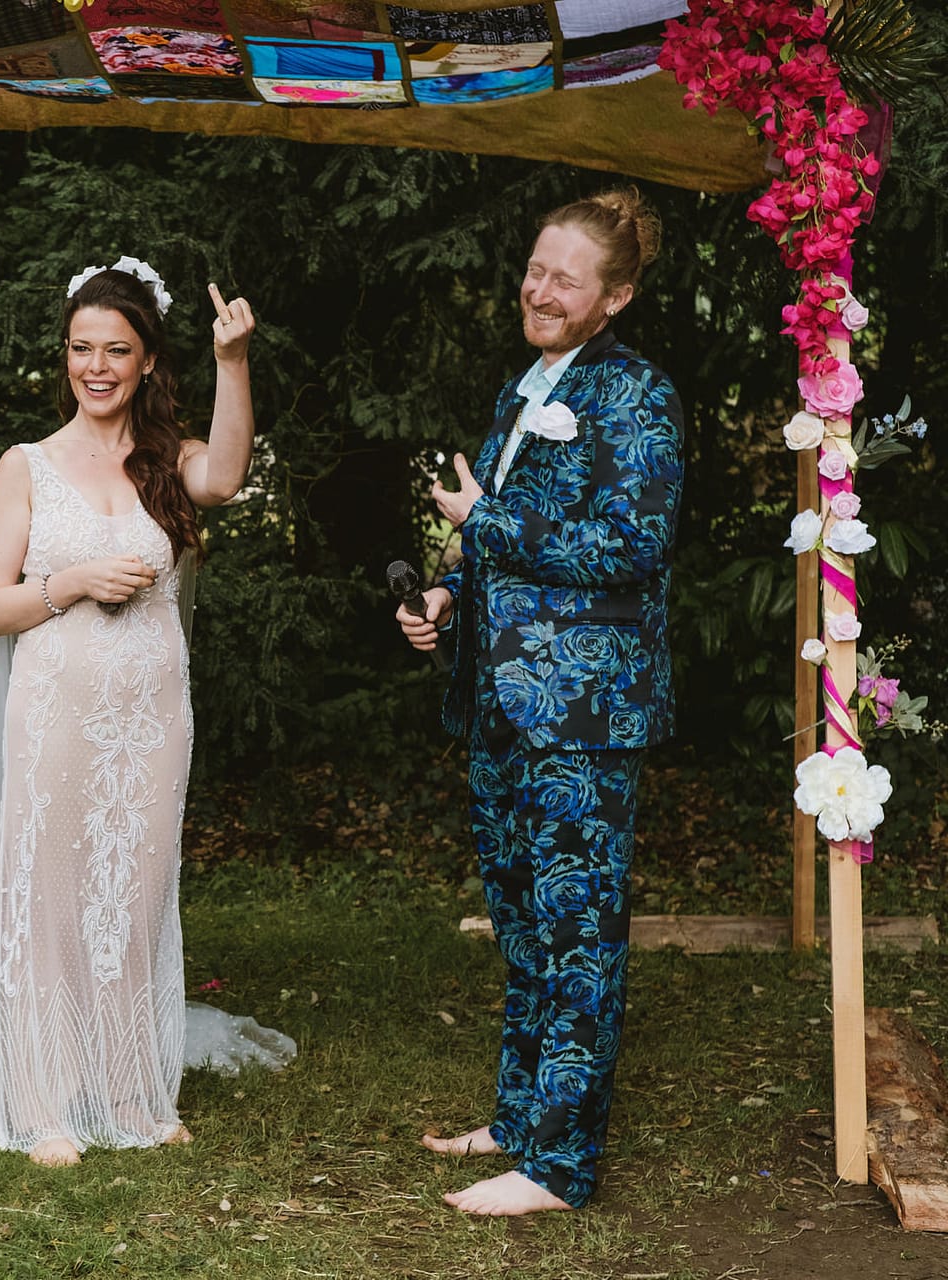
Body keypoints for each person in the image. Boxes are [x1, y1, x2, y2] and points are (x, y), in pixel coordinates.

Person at [0, 259, 265, 1167]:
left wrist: (234, 361)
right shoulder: (26, 465)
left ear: (149, 360)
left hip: (153, 713)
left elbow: (225, 479)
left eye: (117, 349)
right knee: (55, 892)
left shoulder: (166, 460)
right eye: (82, 349)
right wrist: (70, 583)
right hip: (59, 709)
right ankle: (39, 1101)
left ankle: (128, 1086)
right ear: (65, 356)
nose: (97, 366)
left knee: (135, 893)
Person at [398, 189, 683, 1216]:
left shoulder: (637, 395)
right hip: (503, 702)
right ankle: (520, 1119)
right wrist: (446, 590)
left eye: (565, 275)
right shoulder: (527, 388)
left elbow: (630, 547)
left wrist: (492, 522)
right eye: (534, 265)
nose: (539, 287)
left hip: (584, 711)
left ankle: (558, 1166)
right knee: (524, 923)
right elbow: (495, 536)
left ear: (614, 296)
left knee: (576, 933)